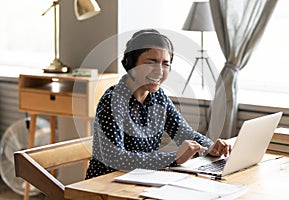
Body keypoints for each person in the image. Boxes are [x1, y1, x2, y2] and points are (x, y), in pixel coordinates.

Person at [85, 29, 231, 179]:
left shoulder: (158, 96)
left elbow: (185, 133)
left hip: (141, 180)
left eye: (165, 64)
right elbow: (116, 158)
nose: (159, 71)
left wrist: (210, 147)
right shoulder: (112, 101)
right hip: (104, 186)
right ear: (131, 64)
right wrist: (173, 157)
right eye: (151, 62)